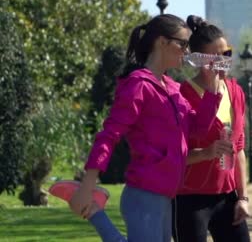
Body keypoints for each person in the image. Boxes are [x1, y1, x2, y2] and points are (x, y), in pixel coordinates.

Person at [53, 14, 216, 242]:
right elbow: (109, 135)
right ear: (162, 42)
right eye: (182, 44)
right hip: (145, 193)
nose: (186, 52)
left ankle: (95, 211)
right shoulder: (138, 85)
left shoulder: (173, 88)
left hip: (167, 194)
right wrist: (88, 183)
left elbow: (198, 131)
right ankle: (92, 208)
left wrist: (212, 90)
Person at [172, 15, 251, 242]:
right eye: (214, 58)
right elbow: (176, 155)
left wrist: (242, 198)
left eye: (226, 54)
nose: (222, 62)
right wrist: (207, 153)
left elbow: (239, 149)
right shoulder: (181, 96)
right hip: (189, 199)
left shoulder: (236, 91)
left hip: (227, 198)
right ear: (198, 60)